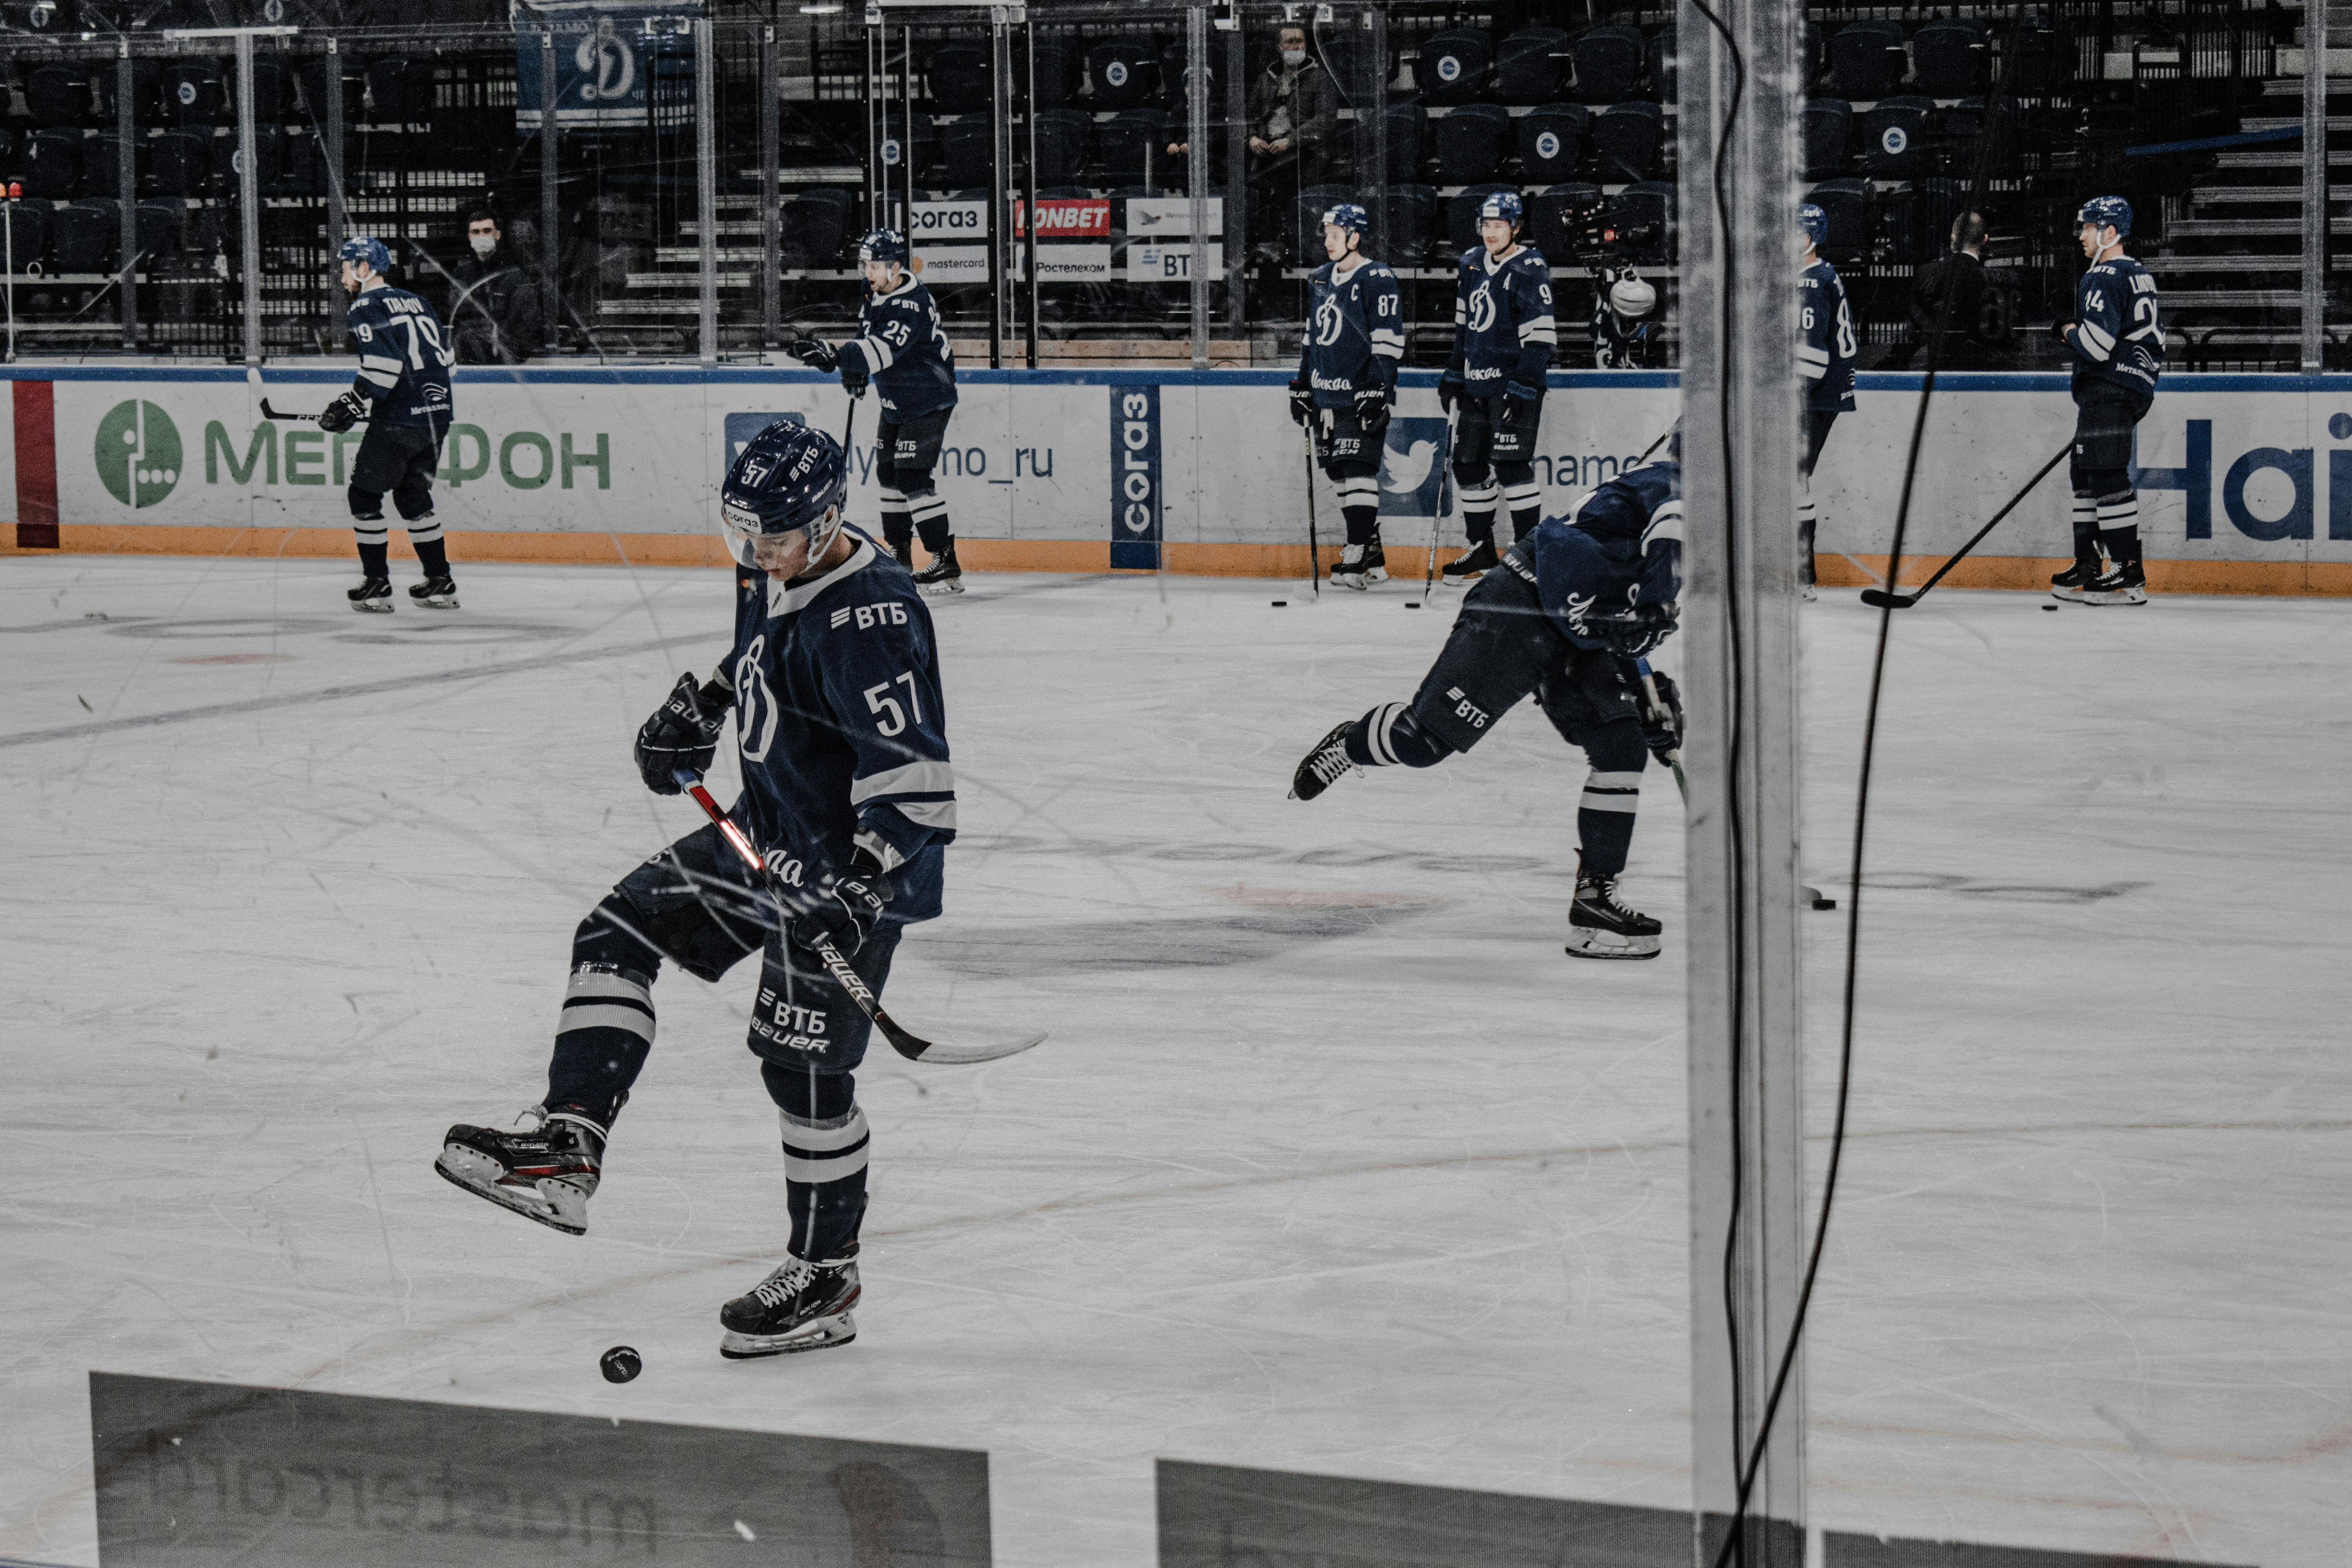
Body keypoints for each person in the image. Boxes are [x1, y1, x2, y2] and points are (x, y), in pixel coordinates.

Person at [434, 420, 956, 1360]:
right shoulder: (778, 559)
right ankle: (569, 1141)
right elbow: (755, 649)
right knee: (617, 931)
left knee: (801, 1075)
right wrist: (704, 706)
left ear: (828, 519)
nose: (754, 555)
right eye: (743, 536)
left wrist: (864, 883)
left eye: (773, 540)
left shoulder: (870, 616)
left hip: (845, 870)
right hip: (765, 829)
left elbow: (914, 780)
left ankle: (824, 1273)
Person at [1290, 454, 1685, 959]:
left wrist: (1645, 687)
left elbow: (1625, 612)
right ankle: (1351, 742)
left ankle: (1593, 900)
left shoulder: (1709, 508)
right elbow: (1664, 549)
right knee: (1420, 743)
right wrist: (1650, 617)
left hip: (1579, 633)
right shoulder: (1675, 483)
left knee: (1622, 743)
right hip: (1519, 607)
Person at [789, 230, 964, 596]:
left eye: (874, 265)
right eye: (864, 265)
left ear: (895, 267)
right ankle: (899, 556)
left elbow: (884, 349)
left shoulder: (910, 305)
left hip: (928, 398)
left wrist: (838, 356)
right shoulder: (875, 292)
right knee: (888, 474)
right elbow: (866, 332)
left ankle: (943, 556)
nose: (867, 272)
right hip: (896, 399)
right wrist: (854, 373)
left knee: (912, 476)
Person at [321, 236, 457, 612]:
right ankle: (440, 581)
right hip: (437, 416)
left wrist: (351, 402)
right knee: (414, 496)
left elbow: (384, 367)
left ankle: (377, 584)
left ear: (365, 269)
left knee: (363, 496)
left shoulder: (366, 304)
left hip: (398, 420)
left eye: (346, 266)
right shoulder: (420, 301)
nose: (342, 274)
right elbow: (448, 362)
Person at [1439, 190, 1558, 584]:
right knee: (1468, 465)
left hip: (1513, 386)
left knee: (1510, 465)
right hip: (1476, 383)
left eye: (1499, 225)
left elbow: (1540, 339)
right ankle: (1481, 548)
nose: (1491, 233)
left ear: (1516, 227)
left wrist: (1524, 386)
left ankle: (1528, 555)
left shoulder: (1529, 266)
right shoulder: (1470, 264)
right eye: (1486, 225)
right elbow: (1463, 328)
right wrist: (1454, 373)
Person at [2051, 196, 2162, 606]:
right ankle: (2087, 563)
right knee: (2084, 473)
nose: (2081, 235)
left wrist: (2064, 329)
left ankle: (2127, 572)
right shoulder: (2138, 273)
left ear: (2109, 232)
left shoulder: (2102, 275)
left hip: (2109, 385)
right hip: (2128, 384)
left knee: (2107, 476)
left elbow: (2096, 346)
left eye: (2087, 227)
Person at [1289, 202, 1403, 590]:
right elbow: (1312, 339)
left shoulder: (1377, 277)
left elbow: (1388, 341)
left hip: (1358, 394)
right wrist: (1302, 384)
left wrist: (1376, 388)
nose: (1328, 242)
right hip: (1326, 394)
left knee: (1358, 468)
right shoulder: (1320, 279)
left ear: (1355, 238)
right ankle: (1371, 554)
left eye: (1336, 235)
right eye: (1326, 235)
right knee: (1338, 471)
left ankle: (1355, 551)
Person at [1237, 23, 1338, 264]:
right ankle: (1266, 248)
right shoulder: (1265, 80)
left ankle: (1291, 247)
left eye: (1300, 41)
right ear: (1279, 48)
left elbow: (1325, 120)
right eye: (1290, 42)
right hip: (1267, 151)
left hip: (1305, 153)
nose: (1297, 46)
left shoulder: (1321, 77)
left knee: (1288, 189)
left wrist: (1291, 140)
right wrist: (1251, 138)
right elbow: (1248, 116)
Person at [1797, 203, 1857, 601]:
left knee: (1790, 480)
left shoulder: (1811, 282)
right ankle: (1802, 575)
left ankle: (1802, 576)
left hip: (1814, 396)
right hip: (1822, 395)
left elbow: (1812, 359)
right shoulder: (1816, 277)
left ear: (1811, 239)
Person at [444, 210, 546, 367]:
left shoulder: (513, 275)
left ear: (497, 235)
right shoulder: (460, 277)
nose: (481, 236)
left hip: (505, 364)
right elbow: (453, 319)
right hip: (466, 363)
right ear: (470, 237)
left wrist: (511, 353)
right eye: (476, 232)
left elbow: (527, 322)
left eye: (487, 231)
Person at [1903, 210, 1991, 370]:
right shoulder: (1994, 278)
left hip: (1942, 373)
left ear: (1953, 238)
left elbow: (1912, 333)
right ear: (1985, 239)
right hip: (1993, 372)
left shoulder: (1927, 274)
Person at [1591, 265, 1660, 370]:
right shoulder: (1618, 347)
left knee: (1605, 309)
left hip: (1607, 324)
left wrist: (1609, 283)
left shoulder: (1604, 338)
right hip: (1614, 317)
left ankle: (1611, 278)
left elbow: (1604, 309)